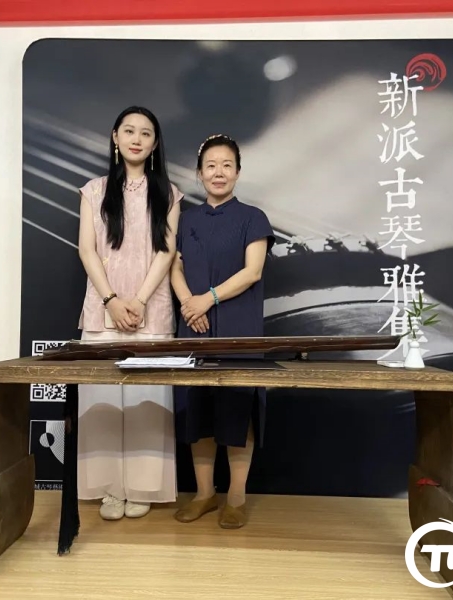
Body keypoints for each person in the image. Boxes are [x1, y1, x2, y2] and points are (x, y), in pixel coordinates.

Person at [74, 106, 183, 520]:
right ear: (115, 137)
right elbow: (87, 250)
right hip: (103, 307)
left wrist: (138, 300)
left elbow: (166, 251)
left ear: (155, 144)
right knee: (101, 401)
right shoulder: (93, 191)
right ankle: (110, 489)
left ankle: (142, 487)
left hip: (150, 308)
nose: (137, 139)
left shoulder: (169, 193)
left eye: (146, 133)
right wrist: (111, 300)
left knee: (147, 402)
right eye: (129, 131)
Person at [170, 134, 274, 529]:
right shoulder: (186, 219)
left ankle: (236, 498)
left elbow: (253, 272)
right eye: (211, 165)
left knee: (237, 411)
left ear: (237, 173)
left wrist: (207, 300)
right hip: (193, 326)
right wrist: (188, 304)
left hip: (238, 326)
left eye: (227, 165)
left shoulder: (253, 217)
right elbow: (173, 266)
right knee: (197, 411)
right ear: (199, 174)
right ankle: (204, 494)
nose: (219, 172)